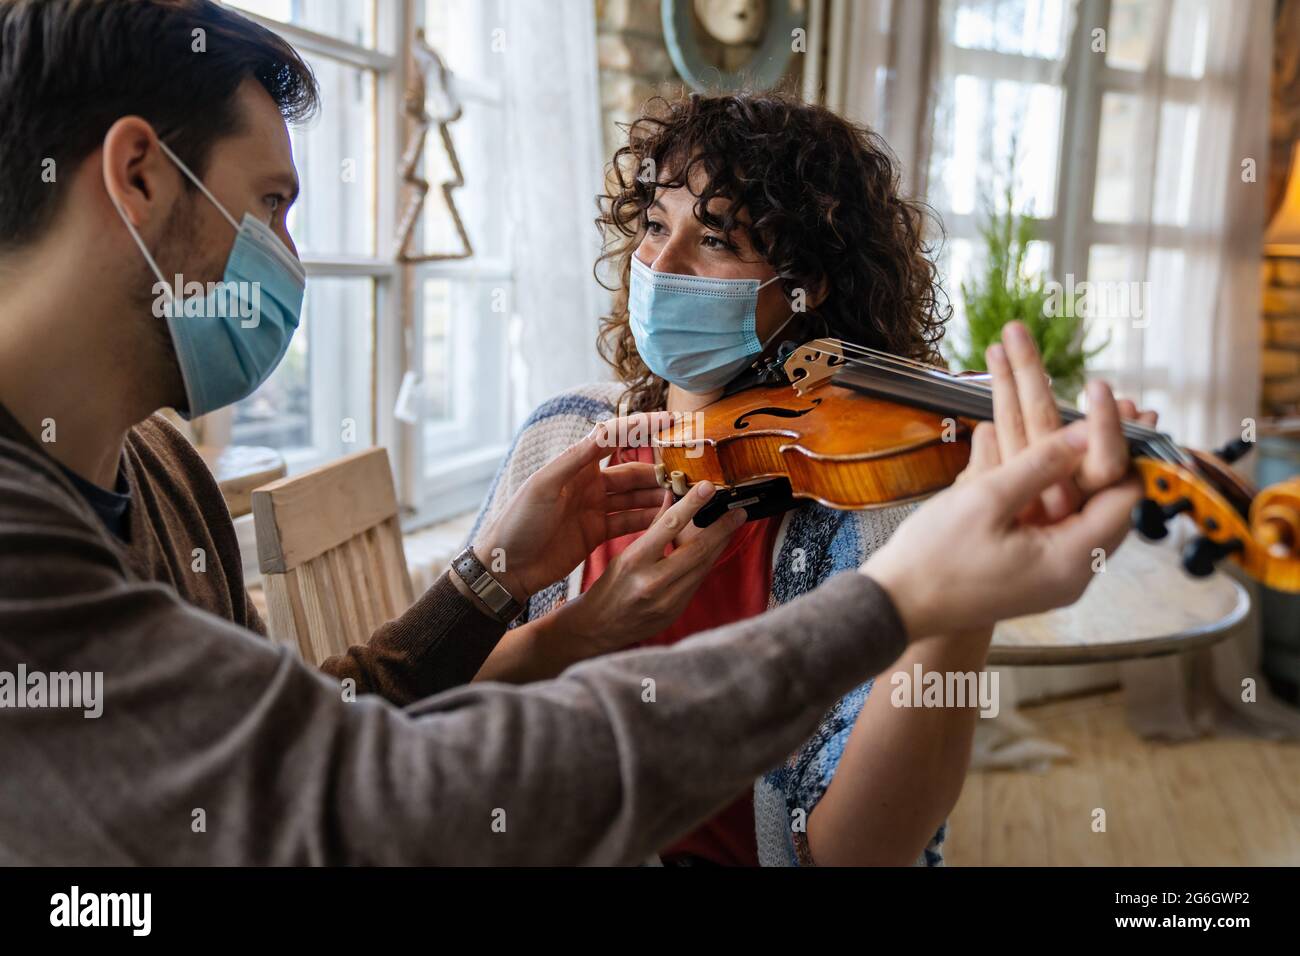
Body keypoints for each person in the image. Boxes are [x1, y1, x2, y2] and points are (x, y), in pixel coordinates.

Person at [0, 0, 1138, 865]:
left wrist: (514, 592)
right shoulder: (25, 544)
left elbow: (304, 734)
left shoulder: (164, 471)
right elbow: (360, 787)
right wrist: (898, 603)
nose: (291, 260)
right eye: (270, 207)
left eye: (717, 239)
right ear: (138, 176)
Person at [467, 91, 1157, 866]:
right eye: (657, 225)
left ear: (808, 285)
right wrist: (575, 633)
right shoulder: (564, 432)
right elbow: (430, 700)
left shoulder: (863, 502)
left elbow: (859, 856)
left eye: (716, 239)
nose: (659, 265)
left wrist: (967, 603)